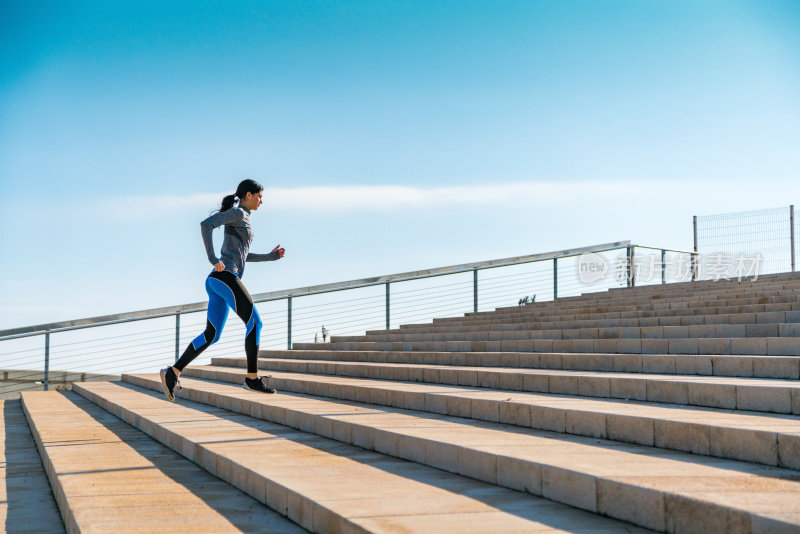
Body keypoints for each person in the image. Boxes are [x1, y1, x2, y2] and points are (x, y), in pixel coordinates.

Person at [160, 179, 285, 401]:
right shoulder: (238, 214)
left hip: (217, 281)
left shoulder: (243, 219)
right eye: (259, 196)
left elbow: (244, 256)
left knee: (212, 335)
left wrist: (270, 257)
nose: (262, 201)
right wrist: (212, 258)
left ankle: (173, 372)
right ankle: (252, 379)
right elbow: (205, 224)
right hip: (224, 276)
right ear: (248, 195)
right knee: (255, 322)